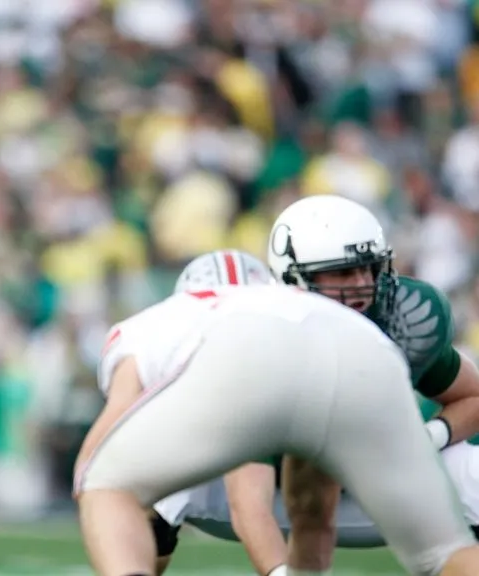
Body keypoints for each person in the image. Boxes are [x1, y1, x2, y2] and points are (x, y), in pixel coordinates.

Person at [74, 263, 479, 575]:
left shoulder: (156, 326)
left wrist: (92, 481)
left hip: (274, 405)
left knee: (109, 485)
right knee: (439, 548)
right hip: (362, 370)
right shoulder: (307, 310)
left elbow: (247, 503)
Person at [148, 196, 479, 575]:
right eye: (340, 273)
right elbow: (248, 504)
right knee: (159, 478)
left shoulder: (407, 318)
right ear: (293, 278)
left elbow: (473, 396)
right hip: (269, 494)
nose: (362, 285)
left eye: (368, 269)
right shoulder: (259, 345)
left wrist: (429, 438)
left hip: (373, 485)